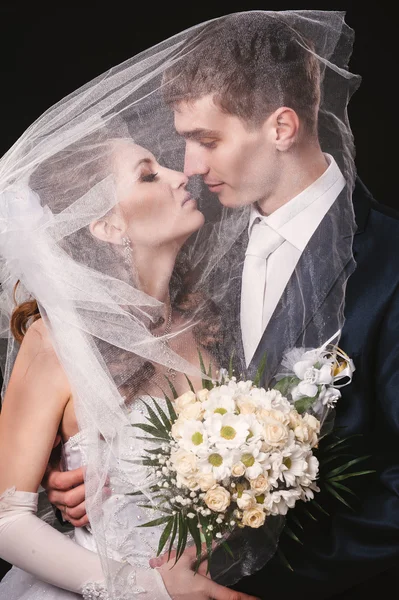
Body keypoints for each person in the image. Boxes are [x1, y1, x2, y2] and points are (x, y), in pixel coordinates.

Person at [38, 9, 399, 598]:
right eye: (184, 142)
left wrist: (254, 576)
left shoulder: (388, 263)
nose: (191, 169)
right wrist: (83, 479)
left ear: (281, 128)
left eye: (207, 141)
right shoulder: (195, 240)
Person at [0, 114, 260, 600]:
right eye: (148, 174)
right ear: (107, 225)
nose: (182, 175)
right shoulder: (57, 340)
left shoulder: (207, 324)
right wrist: (151, 589)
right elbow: (6, 519)